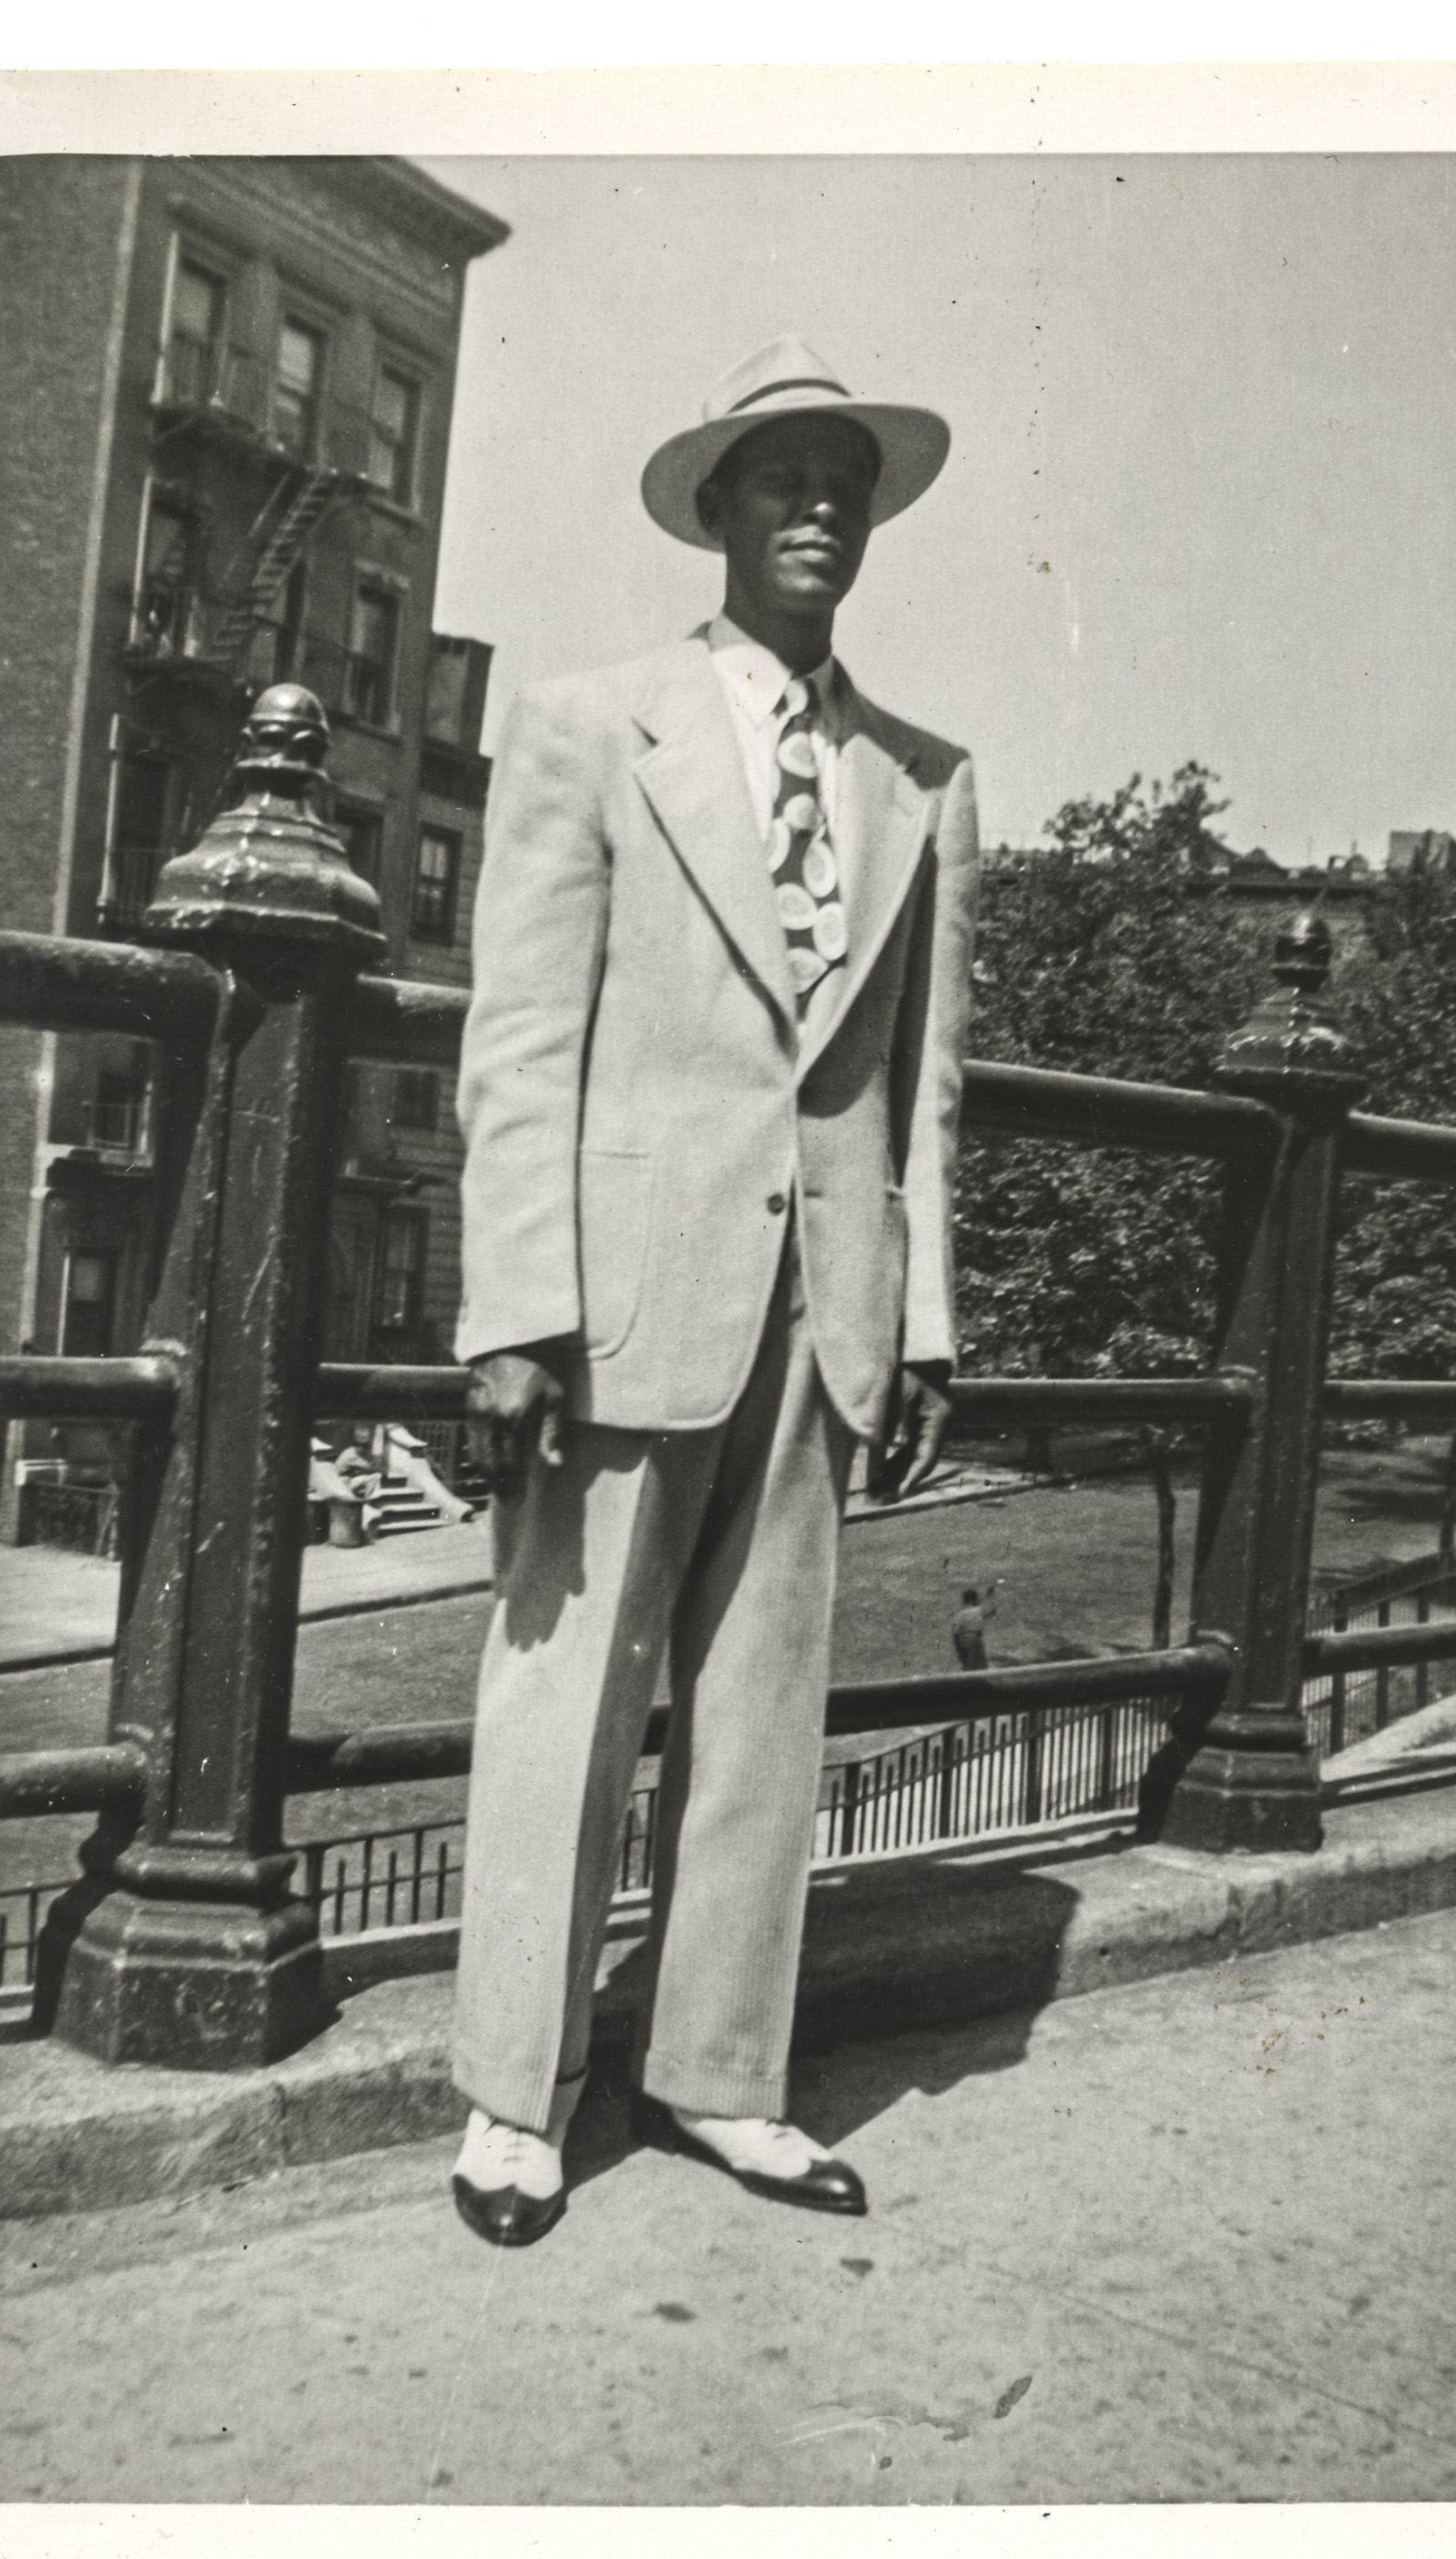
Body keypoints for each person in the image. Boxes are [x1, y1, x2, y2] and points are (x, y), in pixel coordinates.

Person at [447, 337, 982, 2247]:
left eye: (844, 480)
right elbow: (521, 1039)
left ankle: (721, 2081)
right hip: (619, 1293)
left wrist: (917, 1320)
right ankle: (516, 2098)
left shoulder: (925, 777)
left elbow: (924, 1084)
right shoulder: (596, 724)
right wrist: (512, 1308)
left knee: (764, 1711)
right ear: (719, 511)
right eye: (781, 480)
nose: (817, 508)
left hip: (822, 1303)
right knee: (566, 1696)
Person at [951, 1586, 992, 1672]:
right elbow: (991, 1611)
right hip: (974, 1638)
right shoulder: (978, 1610)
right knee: (980, 1664)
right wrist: (988, 1596)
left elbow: (955, 1633)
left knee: (967, 1663)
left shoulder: (960, 1614)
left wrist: (959, 1649)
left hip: (962, 1640)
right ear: (974, 1600)